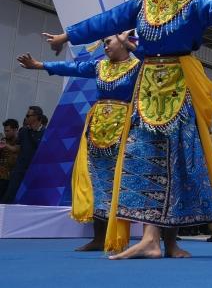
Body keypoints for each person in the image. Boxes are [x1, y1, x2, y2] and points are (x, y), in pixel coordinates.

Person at [40, 0, 212, 258]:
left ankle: (164, 240)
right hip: (146, 87)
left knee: (173, 161)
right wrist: (67, 36)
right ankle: (152, 239)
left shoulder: (194, 4)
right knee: (140, 158)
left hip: (178, 88)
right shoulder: (141, 4)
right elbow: (105, 20)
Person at [16, 32, 141, 251]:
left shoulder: (139, 66)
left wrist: (131, 45)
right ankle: (100, 238)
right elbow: (72, 68)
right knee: (98, 183)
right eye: (103, 43)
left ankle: (120, 237)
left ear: (123, 43)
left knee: (122, 184)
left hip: (126, 130)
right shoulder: (100, 66)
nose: (105, 46)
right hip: (97, 130)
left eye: (109, 42)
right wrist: (39, 65)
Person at [2, 106, 46, 203]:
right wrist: (7, 146)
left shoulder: (45, 133)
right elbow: (17, 148)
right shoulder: (24, 131)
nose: (26, 117)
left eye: (28, 115)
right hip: (20, 170)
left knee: (31, 198)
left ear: (36, 117)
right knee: (10, 196)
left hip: (35, 171)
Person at [0, 119, 20, 201]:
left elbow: (16, 152)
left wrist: (6, 146)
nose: (6, 133)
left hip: (12, 179)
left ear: (15, 130)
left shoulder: (20, 142)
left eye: (8, 131)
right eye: (5, 131)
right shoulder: (3, 141)